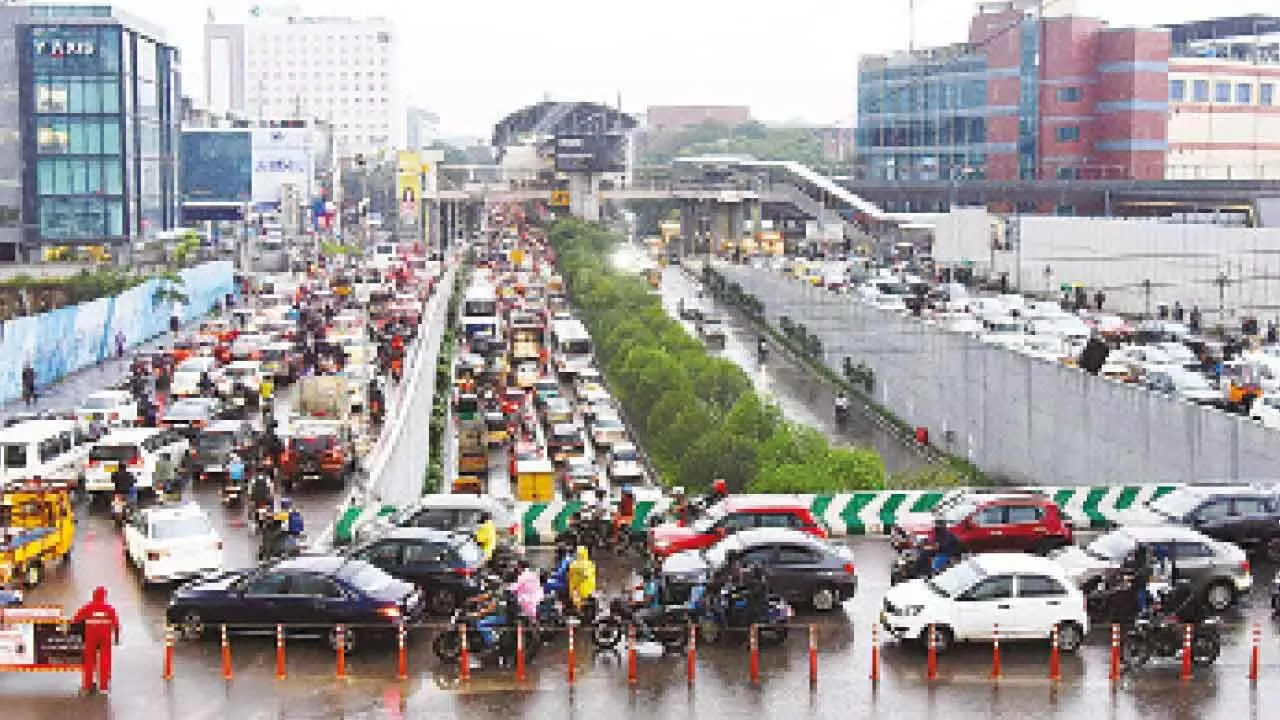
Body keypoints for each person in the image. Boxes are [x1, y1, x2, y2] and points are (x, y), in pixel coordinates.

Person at [72, 586, 120, 694]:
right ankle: (103, 687)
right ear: (104, 596)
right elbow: (116, 624)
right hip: (105, 638)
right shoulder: (109, 608)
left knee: (88, 662)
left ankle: (87, 686)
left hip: (91, 638)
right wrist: (116, 639)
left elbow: (76, 619)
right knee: (104, 661)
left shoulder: (88, 607)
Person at [567, 546, 597, 612]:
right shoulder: (591, 564)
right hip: (588, 591)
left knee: (578, 605)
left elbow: (570, 576)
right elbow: (588, 576)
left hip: (577, 590)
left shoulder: (573, 565)